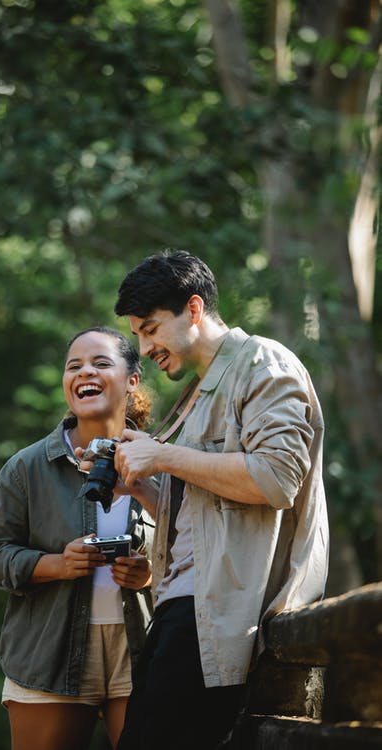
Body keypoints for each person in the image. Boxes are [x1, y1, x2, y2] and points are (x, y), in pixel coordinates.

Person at [109, 250, 330, 750]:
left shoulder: (263, 363)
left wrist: (162, 458)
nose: (143, 348)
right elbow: (206, 511)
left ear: (192, 309)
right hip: (180, 603)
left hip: (218, 611)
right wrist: (142, 483)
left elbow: (275, 479)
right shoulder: (198, 392)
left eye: (150, 328)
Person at [0, 327, 157, 750]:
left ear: (132, 380)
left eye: (100, 363)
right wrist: (57, 564)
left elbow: (196, 547)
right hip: (48, 652)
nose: (84, 372)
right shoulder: (26, 467)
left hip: (143, 650)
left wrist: (150, 572)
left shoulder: (163, 458)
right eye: (74, 365)